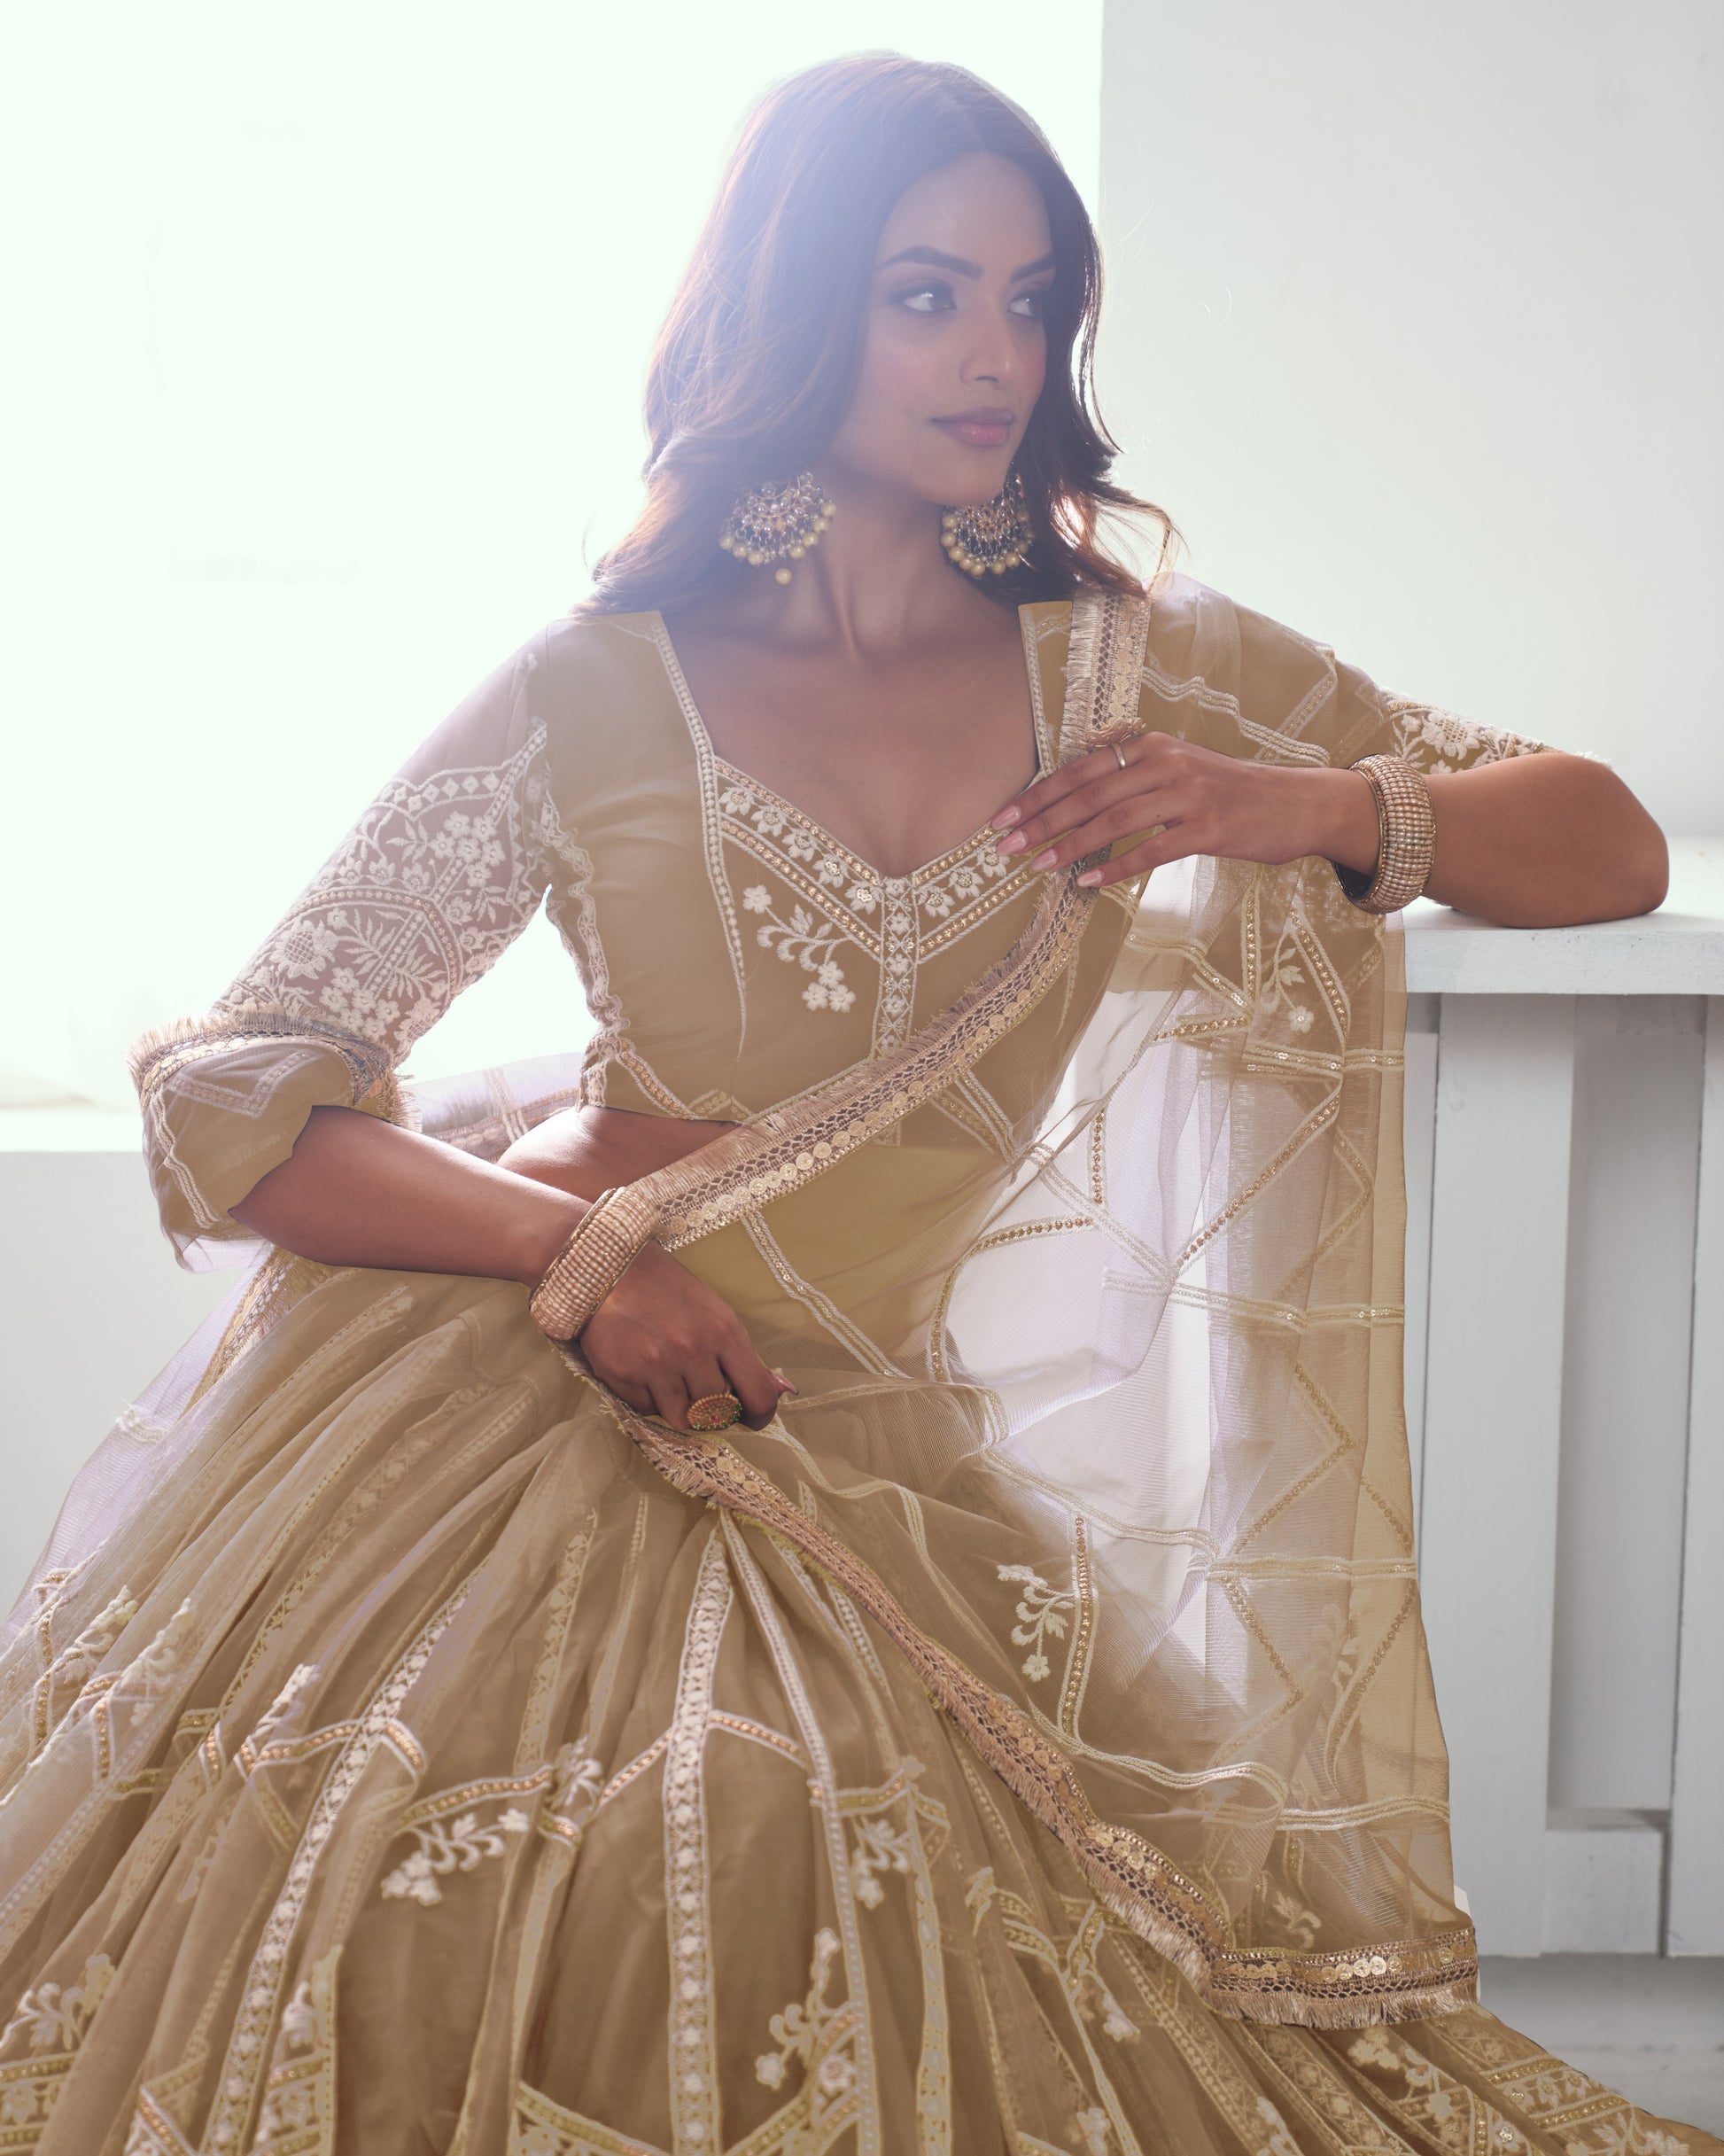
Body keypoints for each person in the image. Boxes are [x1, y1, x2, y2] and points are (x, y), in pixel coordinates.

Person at [0, 49, 1707, 2156]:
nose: (995, 353)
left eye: (1029, 298)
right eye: (925, 294)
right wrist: (581, 1252)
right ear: (795, 309)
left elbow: (1606, 843)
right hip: (519, 1396)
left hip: (850, 1432)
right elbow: (239, 1107)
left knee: (1001, 1915)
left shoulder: (1130, 665)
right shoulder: (595, 689)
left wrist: (1275, 799)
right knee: (646, 1837)